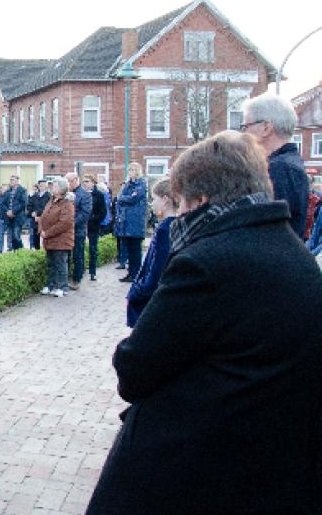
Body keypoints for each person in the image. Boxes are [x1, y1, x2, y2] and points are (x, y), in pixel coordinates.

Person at [87, 130, 322, 514]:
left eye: (180, 204)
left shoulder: (207, 262)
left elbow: (136, 368)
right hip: (269, 463)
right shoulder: (294, 254)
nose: (178, 215)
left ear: (201, 200)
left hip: (194, 465)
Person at [242, 93, 309, 237]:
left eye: (246, 126)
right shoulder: (288, 163)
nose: (245, 133)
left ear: (266, 127)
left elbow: (269, 230)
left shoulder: (280, 168)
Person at [125, 178, 177, 328]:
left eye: (154, 199)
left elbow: (156, 268)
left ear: (165, 200)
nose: (151, 203)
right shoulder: (176, 225)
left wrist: (138, 291)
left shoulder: (164, 229)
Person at [39, 178, 75, 298]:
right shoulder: (51, 200)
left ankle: (62, 287)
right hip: (49, 239)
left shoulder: (67, 203)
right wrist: (41, 230)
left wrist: (48, 232)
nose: (51, 188)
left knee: (60, 263)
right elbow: (44, 216)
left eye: (54, 186)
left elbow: (64, 223)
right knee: (51, 263)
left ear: (60, 188)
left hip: (61, 239)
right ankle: (50, 285)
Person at [115, 163, 147, 283]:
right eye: (129, 170)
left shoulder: (141, 184)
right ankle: (130, 273)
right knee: (129, 249)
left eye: (133, 169)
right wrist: (125, 198)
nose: (131, 172)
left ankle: (137, 274)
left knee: (135, 250)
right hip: (126, 222)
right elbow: (119, 197)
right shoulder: (127, 184)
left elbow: (134, 198)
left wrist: (124, 198)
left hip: (135, 222)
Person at [66, 172, 91, 290]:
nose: (67, 183)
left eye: (69, 181)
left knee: (78, 255)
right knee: (66, 256)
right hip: (65, 231)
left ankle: (77, 279)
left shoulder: (84, 195)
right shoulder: (66, 194)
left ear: (75, 180)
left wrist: (71, 223)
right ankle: (65, 278)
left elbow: (85, 213)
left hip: (77, 231)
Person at [86, 174, 108, 282]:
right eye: (84, 181)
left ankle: (92, 271)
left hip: (93, 226)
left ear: (93, 182)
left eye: (88, 181)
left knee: (93, 248)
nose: (86, 183)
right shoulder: (82, 193)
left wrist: (94, 219)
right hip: (82, 225)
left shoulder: (98, 195)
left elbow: (103, 211)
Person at [6, 175, 27, 251]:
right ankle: (15, 252)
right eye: (10, 180)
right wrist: (7, 212)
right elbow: (4, 203)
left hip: (18, 217)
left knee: (16, 235)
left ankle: (21, 250)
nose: (11, 181)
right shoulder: (8, 191)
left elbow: (23, 203)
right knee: (12, 237)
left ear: (17, 181)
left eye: (13, 180)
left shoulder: (22, 190)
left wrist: (13, 211)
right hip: (9, 217)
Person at [30, 179, 50, 250]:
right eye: (41, 185)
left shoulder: (49, 196)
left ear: (46, 186)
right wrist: (32, 212)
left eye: (44, 185)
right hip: (35, 220)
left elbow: (47, 208)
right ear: (38, 186)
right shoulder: (34, 196)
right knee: (36, 238)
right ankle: (37, 251)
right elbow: (30, 205)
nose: (42, 187)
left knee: (46, 237)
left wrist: (39, 215)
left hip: (45, 219)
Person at [0, 184, 10, 253]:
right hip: (1, 218)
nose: (3, 190)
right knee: (0, 235)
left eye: (4, 189)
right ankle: (0, 249)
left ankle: (10, 247)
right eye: (2, 189)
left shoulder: (10, 197)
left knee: (9, 235)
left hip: (8, 218)